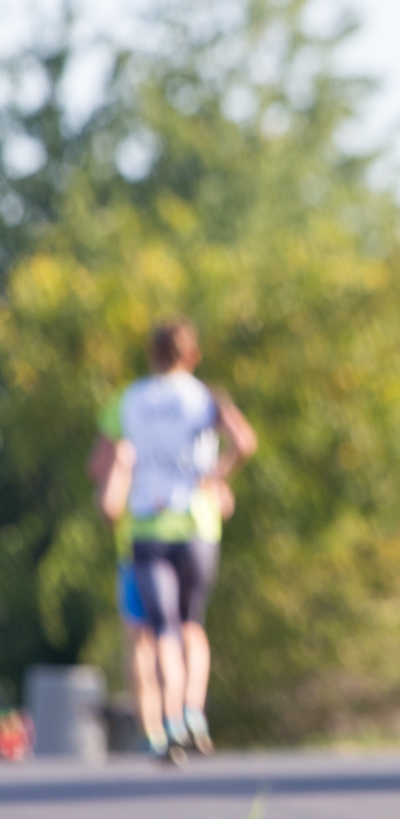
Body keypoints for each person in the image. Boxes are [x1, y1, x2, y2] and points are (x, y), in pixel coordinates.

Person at [90, 318, 256, 761]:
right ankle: (193, 711)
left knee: (161, 628)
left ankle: (168, 721)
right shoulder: (205, 397)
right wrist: (215, 476)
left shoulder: (129, 399)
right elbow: (244, 441)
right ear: (192, 355)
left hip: (146, 524)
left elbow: (98, 464)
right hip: (197, 523)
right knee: (191, 625)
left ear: (151, 354)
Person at [84, 441, 162, 757]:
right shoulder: (187, 438)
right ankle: (176, 721)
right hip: (189, 549)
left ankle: (155, 728)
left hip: (138, 555)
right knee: (177, 635)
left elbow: (109, 506)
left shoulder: (128, 445)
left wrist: (119, 473)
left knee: (141, 641)